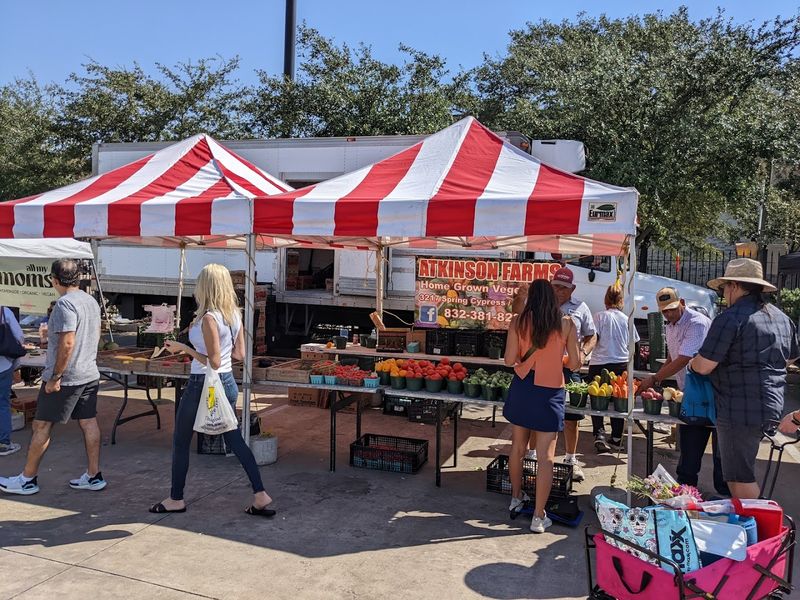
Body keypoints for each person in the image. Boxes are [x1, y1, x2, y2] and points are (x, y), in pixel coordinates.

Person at [149, 264, 275, 517]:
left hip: (203, 384)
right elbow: (239, 354)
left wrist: (183, 348)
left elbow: (213, 361)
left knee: (181, 441)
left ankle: (176, 498)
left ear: (205, 286)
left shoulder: (208, 318)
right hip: (226, 383)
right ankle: (260, 493)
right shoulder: (234, 315)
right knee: (235, 440)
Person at [689, 258, 799, 499]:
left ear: (735, 286)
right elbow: (790, 359)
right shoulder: (782, 319)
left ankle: (760, 530)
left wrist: (692, 363)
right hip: (771, 405)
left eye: (724, 287)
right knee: (743, 470)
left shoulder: (730, 318)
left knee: (739, 478)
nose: (724, 293)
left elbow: (704, 366)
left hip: (738, 409)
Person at [0, 259, 105, 495]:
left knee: (41, 424)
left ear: (54, 280)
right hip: (88, 372)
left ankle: (27, 479)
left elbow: (68, 342)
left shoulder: (65, 305)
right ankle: (94, 475)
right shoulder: (90, 301)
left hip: (67, 377)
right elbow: (92, 336)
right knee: (89, 422)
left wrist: (55, 376)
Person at [503, 280, 580, 533]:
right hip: (550, 392)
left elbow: (508, 360)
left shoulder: (517, 322)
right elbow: (576, 364)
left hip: (523, 387)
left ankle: (516, 497)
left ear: (531, 298)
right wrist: (560, 358)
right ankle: (538, 517)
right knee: (546, 457)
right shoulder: (567, 324)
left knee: (517, 448)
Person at [639, 288, 729, 497]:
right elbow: (673, 357)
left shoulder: (696, 323)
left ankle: (724, 497)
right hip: (690, 394)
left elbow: (684, 358)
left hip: (711, 394)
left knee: (721, 454)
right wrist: (659, 375)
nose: (669, 315)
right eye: (664, 312)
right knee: (689, 451)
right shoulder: (670, 325)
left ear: (682, 302)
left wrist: (654, 378)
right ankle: (687, 494)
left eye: (672, 309)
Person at [550, 267, 596, 481]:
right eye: (555, 286)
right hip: (545, 366)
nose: (558, 291)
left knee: (572, 416)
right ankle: (534, 456)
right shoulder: (543, 305)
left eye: (563, 288)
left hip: (570, 367)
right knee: (541, 413)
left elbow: (592, 335)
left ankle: (570, 458)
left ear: (572, 288)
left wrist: (584, 353)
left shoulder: (581, 307)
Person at [589, 284, 639, 453]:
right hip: (620, 363)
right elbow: (634, 343)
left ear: (606, 299)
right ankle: (616, 437)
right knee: (619, 402)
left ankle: (599, 434)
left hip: (598, 363)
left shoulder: (599, 317)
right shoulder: (626, 319)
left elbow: (593, 338)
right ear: (621, 301)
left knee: (598, 400)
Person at [0, 306, 25, 456]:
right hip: (3, 365)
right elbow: (19, 337)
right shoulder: (3, 312)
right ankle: (3, 443)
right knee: (2, 404)